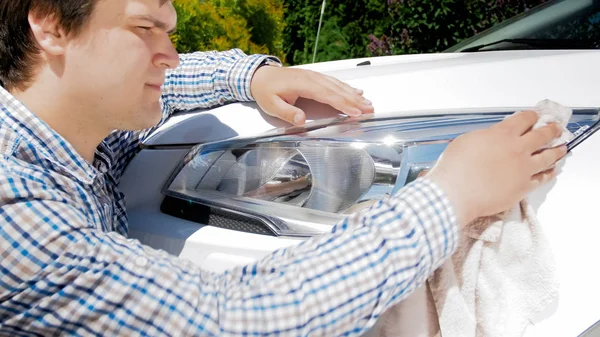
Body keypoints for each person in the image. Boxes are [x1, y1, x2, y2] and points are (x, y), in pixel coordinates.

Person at [0, 0, 566, 336]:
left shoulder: (78, 142)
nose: (169, 53)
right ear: (49, 26)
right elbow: (228, 319)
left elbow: (168, 88)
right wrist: (453, 194)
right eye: (145, 29)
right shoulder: (13, 203)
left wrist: (250, 78)